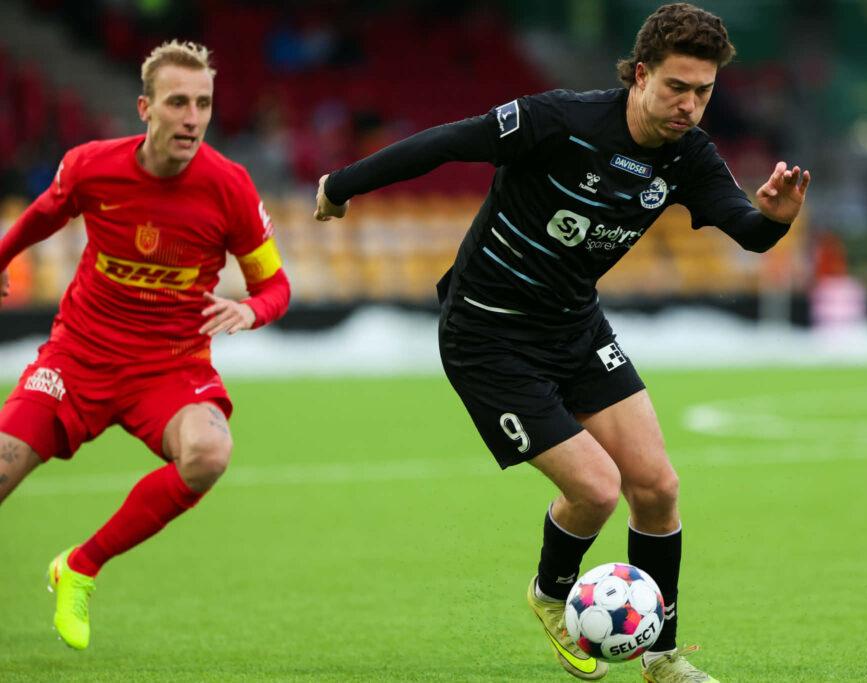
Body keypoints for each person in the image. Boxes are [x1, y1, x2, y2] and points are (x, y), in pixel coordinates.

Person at [314, 4, 809, 681]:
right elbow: (449, 142)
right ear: (641, 75)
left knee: (657, 487)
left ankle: (661, 658)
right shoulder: (561, 120)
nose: (690, 106)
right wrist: (342, 185)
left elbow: (746, 230)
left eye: (703, 92)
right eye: (677, 87)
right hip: (488, 333)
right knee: (599, 489)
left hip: (575, 328)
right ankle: (552, 594)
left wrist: (774, 220)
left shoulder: (688, 155)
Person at [0, 40, 290, 650]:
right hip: (78, 356)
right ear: (144, 108)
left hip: (169, 368)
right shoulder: (91, 166)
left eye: (203, 104)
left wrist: (251, 309)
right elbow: (46, 214)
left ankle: (80, 567)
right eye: (177, 102)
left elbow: (276, 285)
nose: (192, 118)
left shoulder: (230, 186)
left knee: (209, 452)